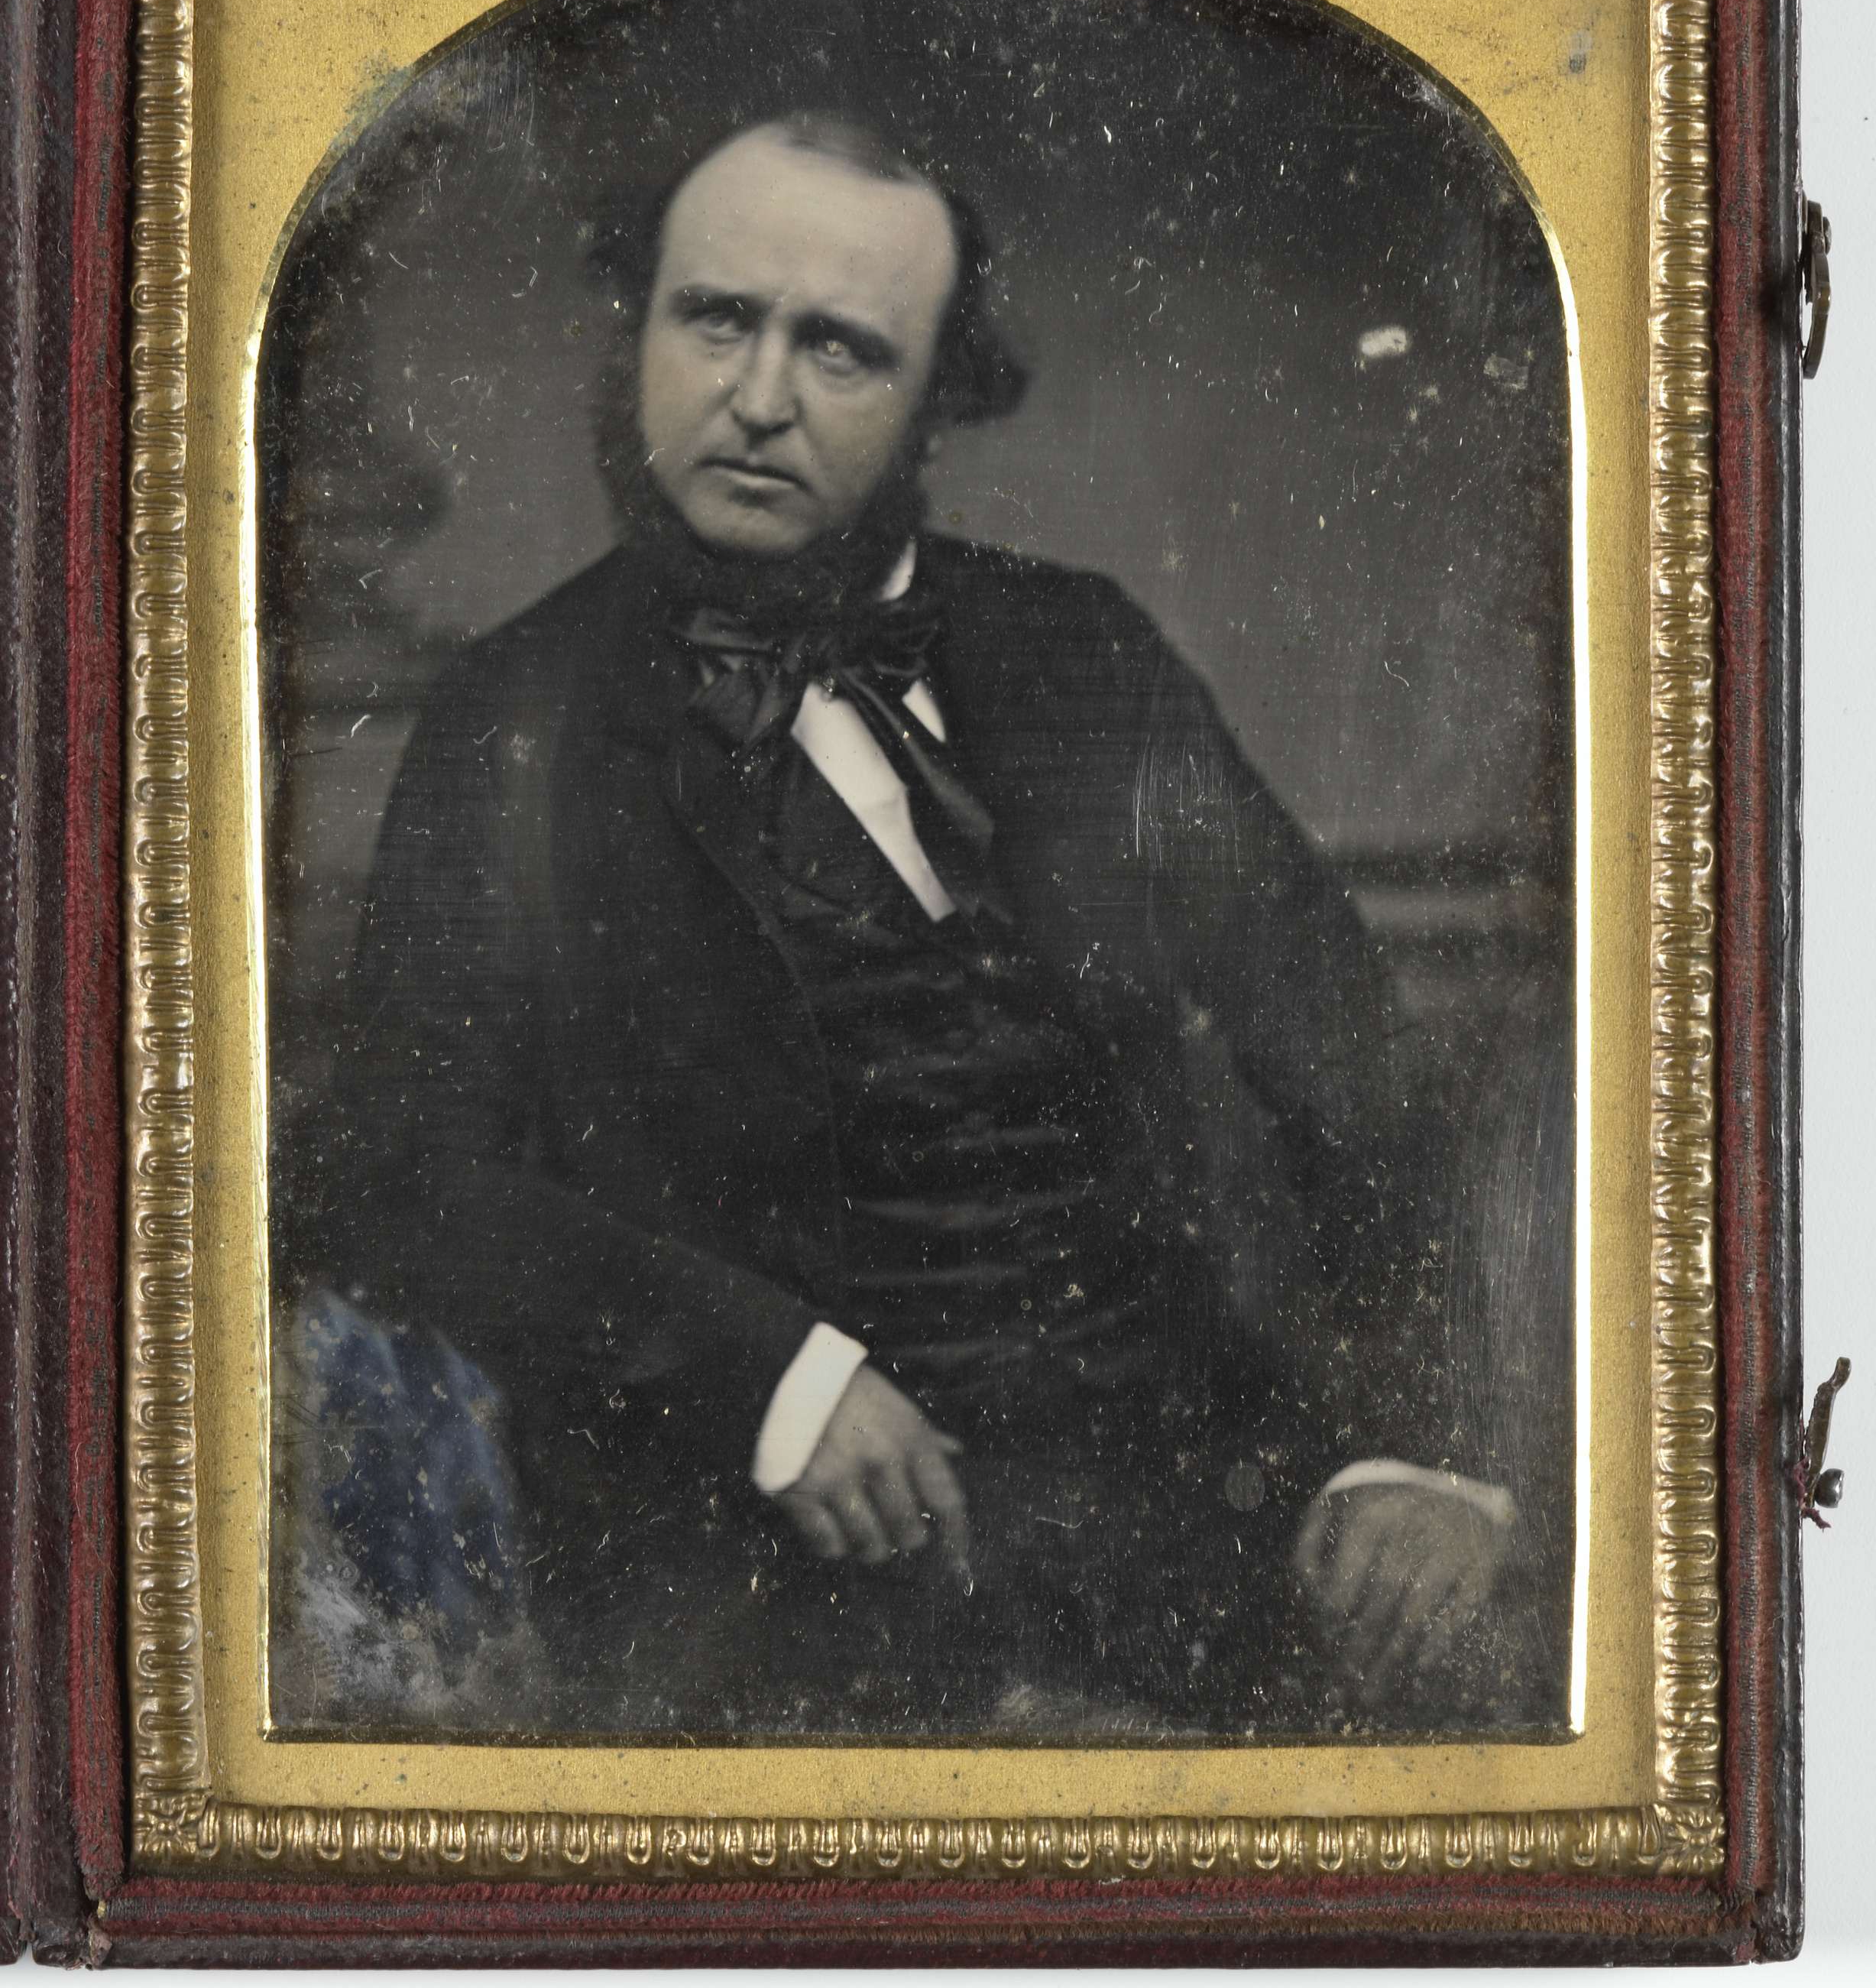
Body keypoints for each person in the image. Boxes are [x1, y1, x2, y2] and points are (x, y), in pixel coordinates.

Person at [287, 113, 1514, 1738]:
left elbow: (1351, 1069)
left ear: (938, 401)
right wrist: (772, 1379)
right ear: (636, 335)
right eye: (715, 319)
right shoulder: (511, 718)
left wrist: (1415, 1453)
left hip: (1190, 1516)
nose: (758, 397)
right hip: (753, 1570)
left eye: (842, 349)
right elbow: (398, 1173)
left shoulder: (1083, 655)